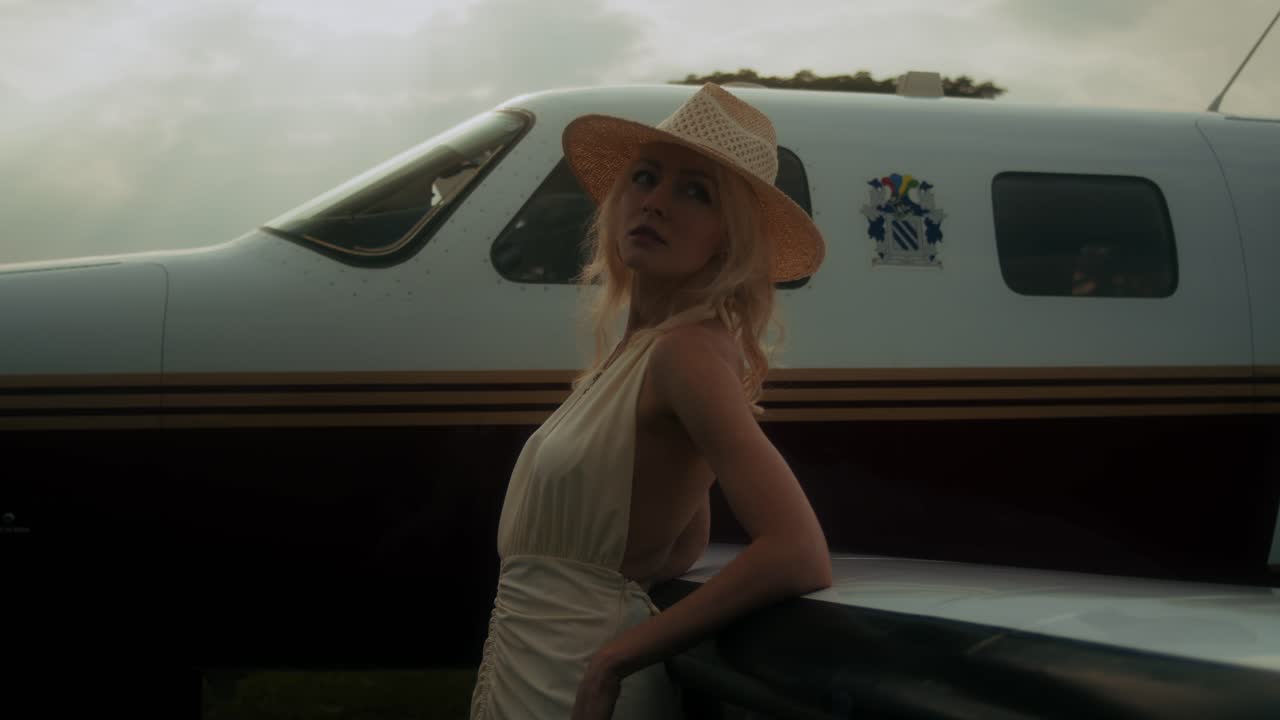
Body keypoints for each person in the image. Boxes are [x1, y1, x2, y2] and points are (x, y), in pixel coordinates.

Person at [468, 83, 834, 720]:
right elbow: (676, 542)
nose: (656, 203)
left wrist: (619, 656)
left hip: (580, 687)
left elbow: (798, 552)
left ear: (728, 240)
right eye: (645, 178)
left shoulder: (684, 355)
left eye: (695, 191)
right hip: (523, 674)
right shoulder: (630, 358)